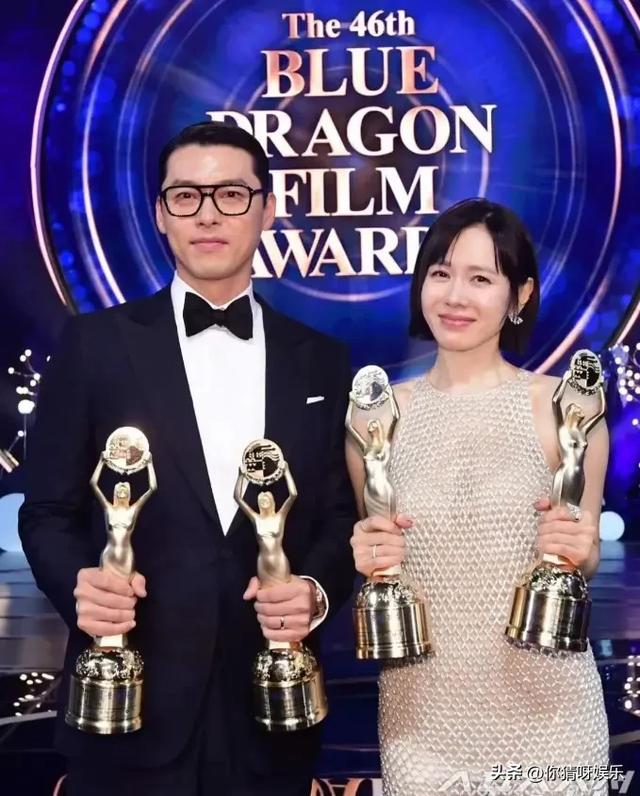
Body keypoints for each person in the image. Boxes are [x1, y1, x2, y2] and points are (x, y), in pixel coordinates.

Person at [19, 121, 357, 796]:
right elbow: (47, 511)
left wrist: (314, 594)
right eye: (185, 196)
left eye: (231, 194)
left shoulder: (322, 358)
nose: (207, 214)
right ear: (160, 215)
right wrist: (81, 586)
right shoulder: (93, 345)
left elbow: (340, 517)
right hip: (127, 710)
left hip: (271, 715)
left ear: (267, 208)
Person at [347, 198, 609, 795]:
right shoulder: (377, 416)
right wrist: (367, 553)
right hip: (422, 724)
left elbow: (585, 553)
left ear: (520, 294)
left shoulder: (564, 408)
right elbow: (380, 559)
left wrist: (579, 548)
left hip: (553, 721)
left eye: (481, 279)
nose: (455, 296)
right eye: (441, 273)